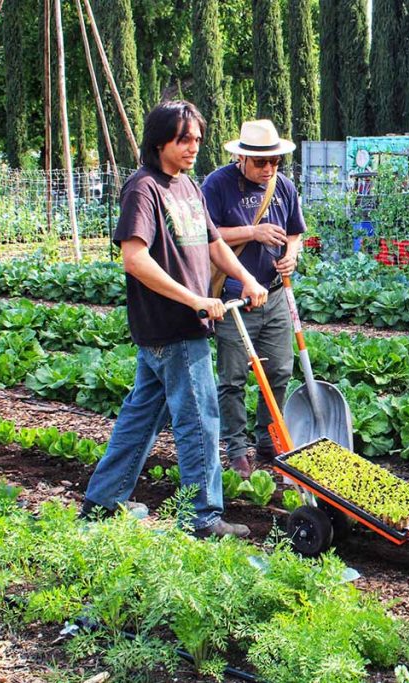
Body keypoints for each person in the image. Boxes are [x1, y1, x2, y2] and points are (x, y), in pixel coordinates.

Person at [81, 101, 268, 538]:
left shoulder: (187, 187)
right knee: (200, 420)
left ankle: (101, 503)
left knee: (141, 417)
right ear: (159, 140)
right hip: (173, 325)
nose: (192, 148)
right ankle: (202, 519)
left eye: (197, 140)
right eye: (183, 139)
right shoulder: (143, 188)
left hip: (176, 327)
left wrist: (246, 278)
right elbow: (134, 258)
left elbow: (214, 243)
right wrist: (194, 300)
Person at [201, 120, 304, 477]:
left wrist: (293, 254)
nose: (268, 169)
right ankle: (235, 447)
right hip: (233, 300)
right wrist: (253, 232)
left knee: (277, 370)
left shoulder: (284, 187)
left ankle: (267, 437)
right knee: (231, 378)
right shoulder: (217, 185)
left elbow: (295, 232)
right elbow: (205, 236)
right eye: (261, 163)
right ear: (241, 158)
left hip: (274, 294)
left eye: (274, 162)